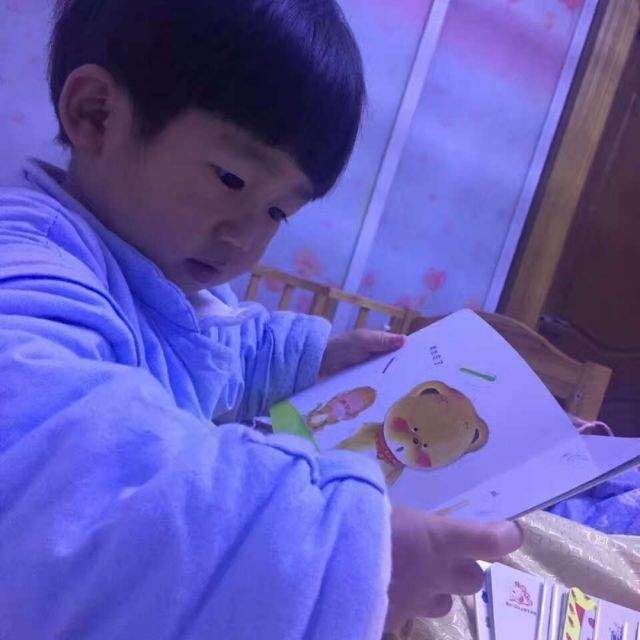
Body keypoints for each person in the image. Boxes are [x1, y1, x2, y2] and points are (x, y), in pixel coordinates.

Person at [0, 0, 522, 637]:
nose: (246, 238)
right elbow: (68, 477)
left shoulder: (150, 271)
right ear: (96, 114)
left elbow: (217, 348)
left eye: (278, 213)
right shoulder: (26, 264)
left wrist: (311, 361)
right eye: (231, 179)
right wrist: (338, 552)